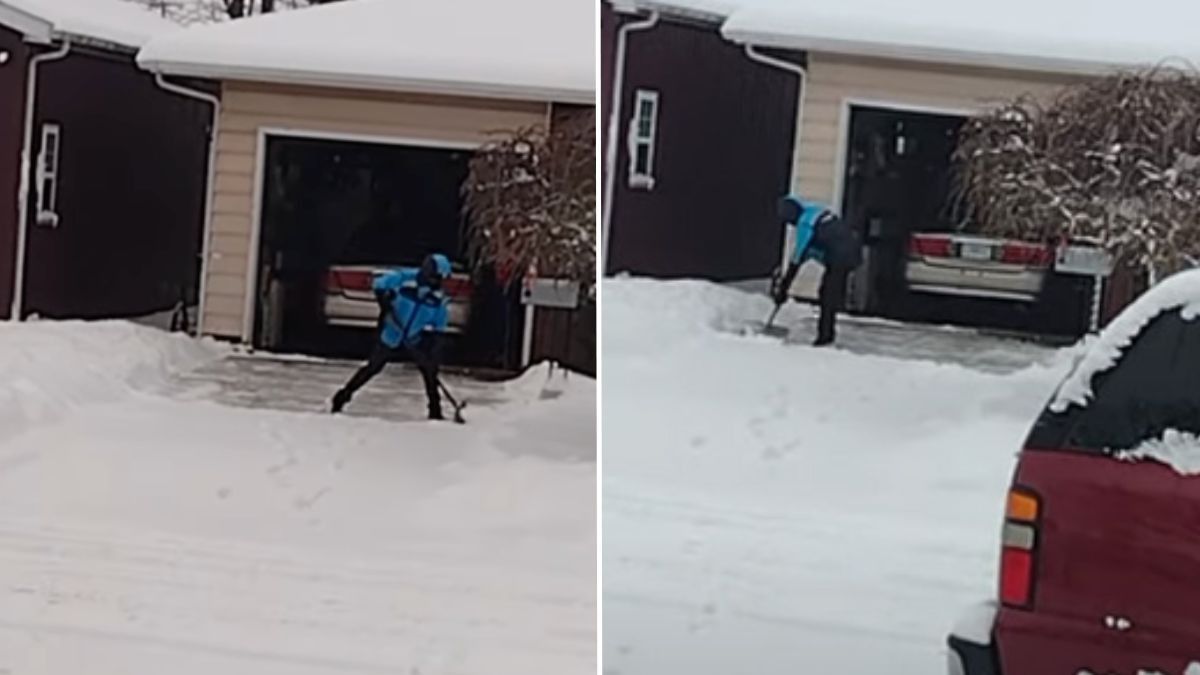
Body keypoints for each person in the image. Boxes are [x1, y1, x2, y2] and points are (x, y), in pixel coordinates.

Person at [331, 253, 452, 420]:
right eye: (435, 278)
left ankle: (435, 410)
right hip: (392, 332)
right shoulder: (404, 279)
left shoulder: (438, 301)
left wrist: (432, 357)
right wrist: (384, 299)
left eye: (440, 279)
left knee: (429, 372)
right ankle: (343, 396)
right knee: (373, 367)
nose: (437, 283)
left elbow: (439, 330)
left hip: (413, 338)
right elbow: (379, 284)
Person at [771, 196, 863, 346]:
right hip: (852, 251)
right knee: (830, 292)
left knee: (827, 295)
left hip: (840, 256)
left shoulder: (805, 223)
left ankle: (825, 337)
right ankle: (827, 333)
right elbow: (812, 249)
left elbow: (797, 258)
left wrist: (784, 288)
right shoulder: (816, 212)